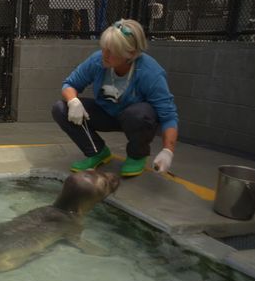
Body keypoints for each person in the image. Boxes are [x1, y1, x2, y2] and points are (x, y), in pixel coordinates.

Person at [51, 19, 178, 177]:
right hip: (106, 113)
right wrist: (73, 101)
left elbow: (168, 116)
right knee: (61, 109)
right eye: (104, 48)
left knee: (138, 114)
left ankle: (136, 156)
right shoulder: (98, 60)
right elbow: (70, 84)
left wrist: (168, 150)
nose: (104, 54)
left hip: (134, 119)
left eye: (111, 51)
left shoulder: (150, 72)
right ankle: (97, 152)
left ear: (130, 53)